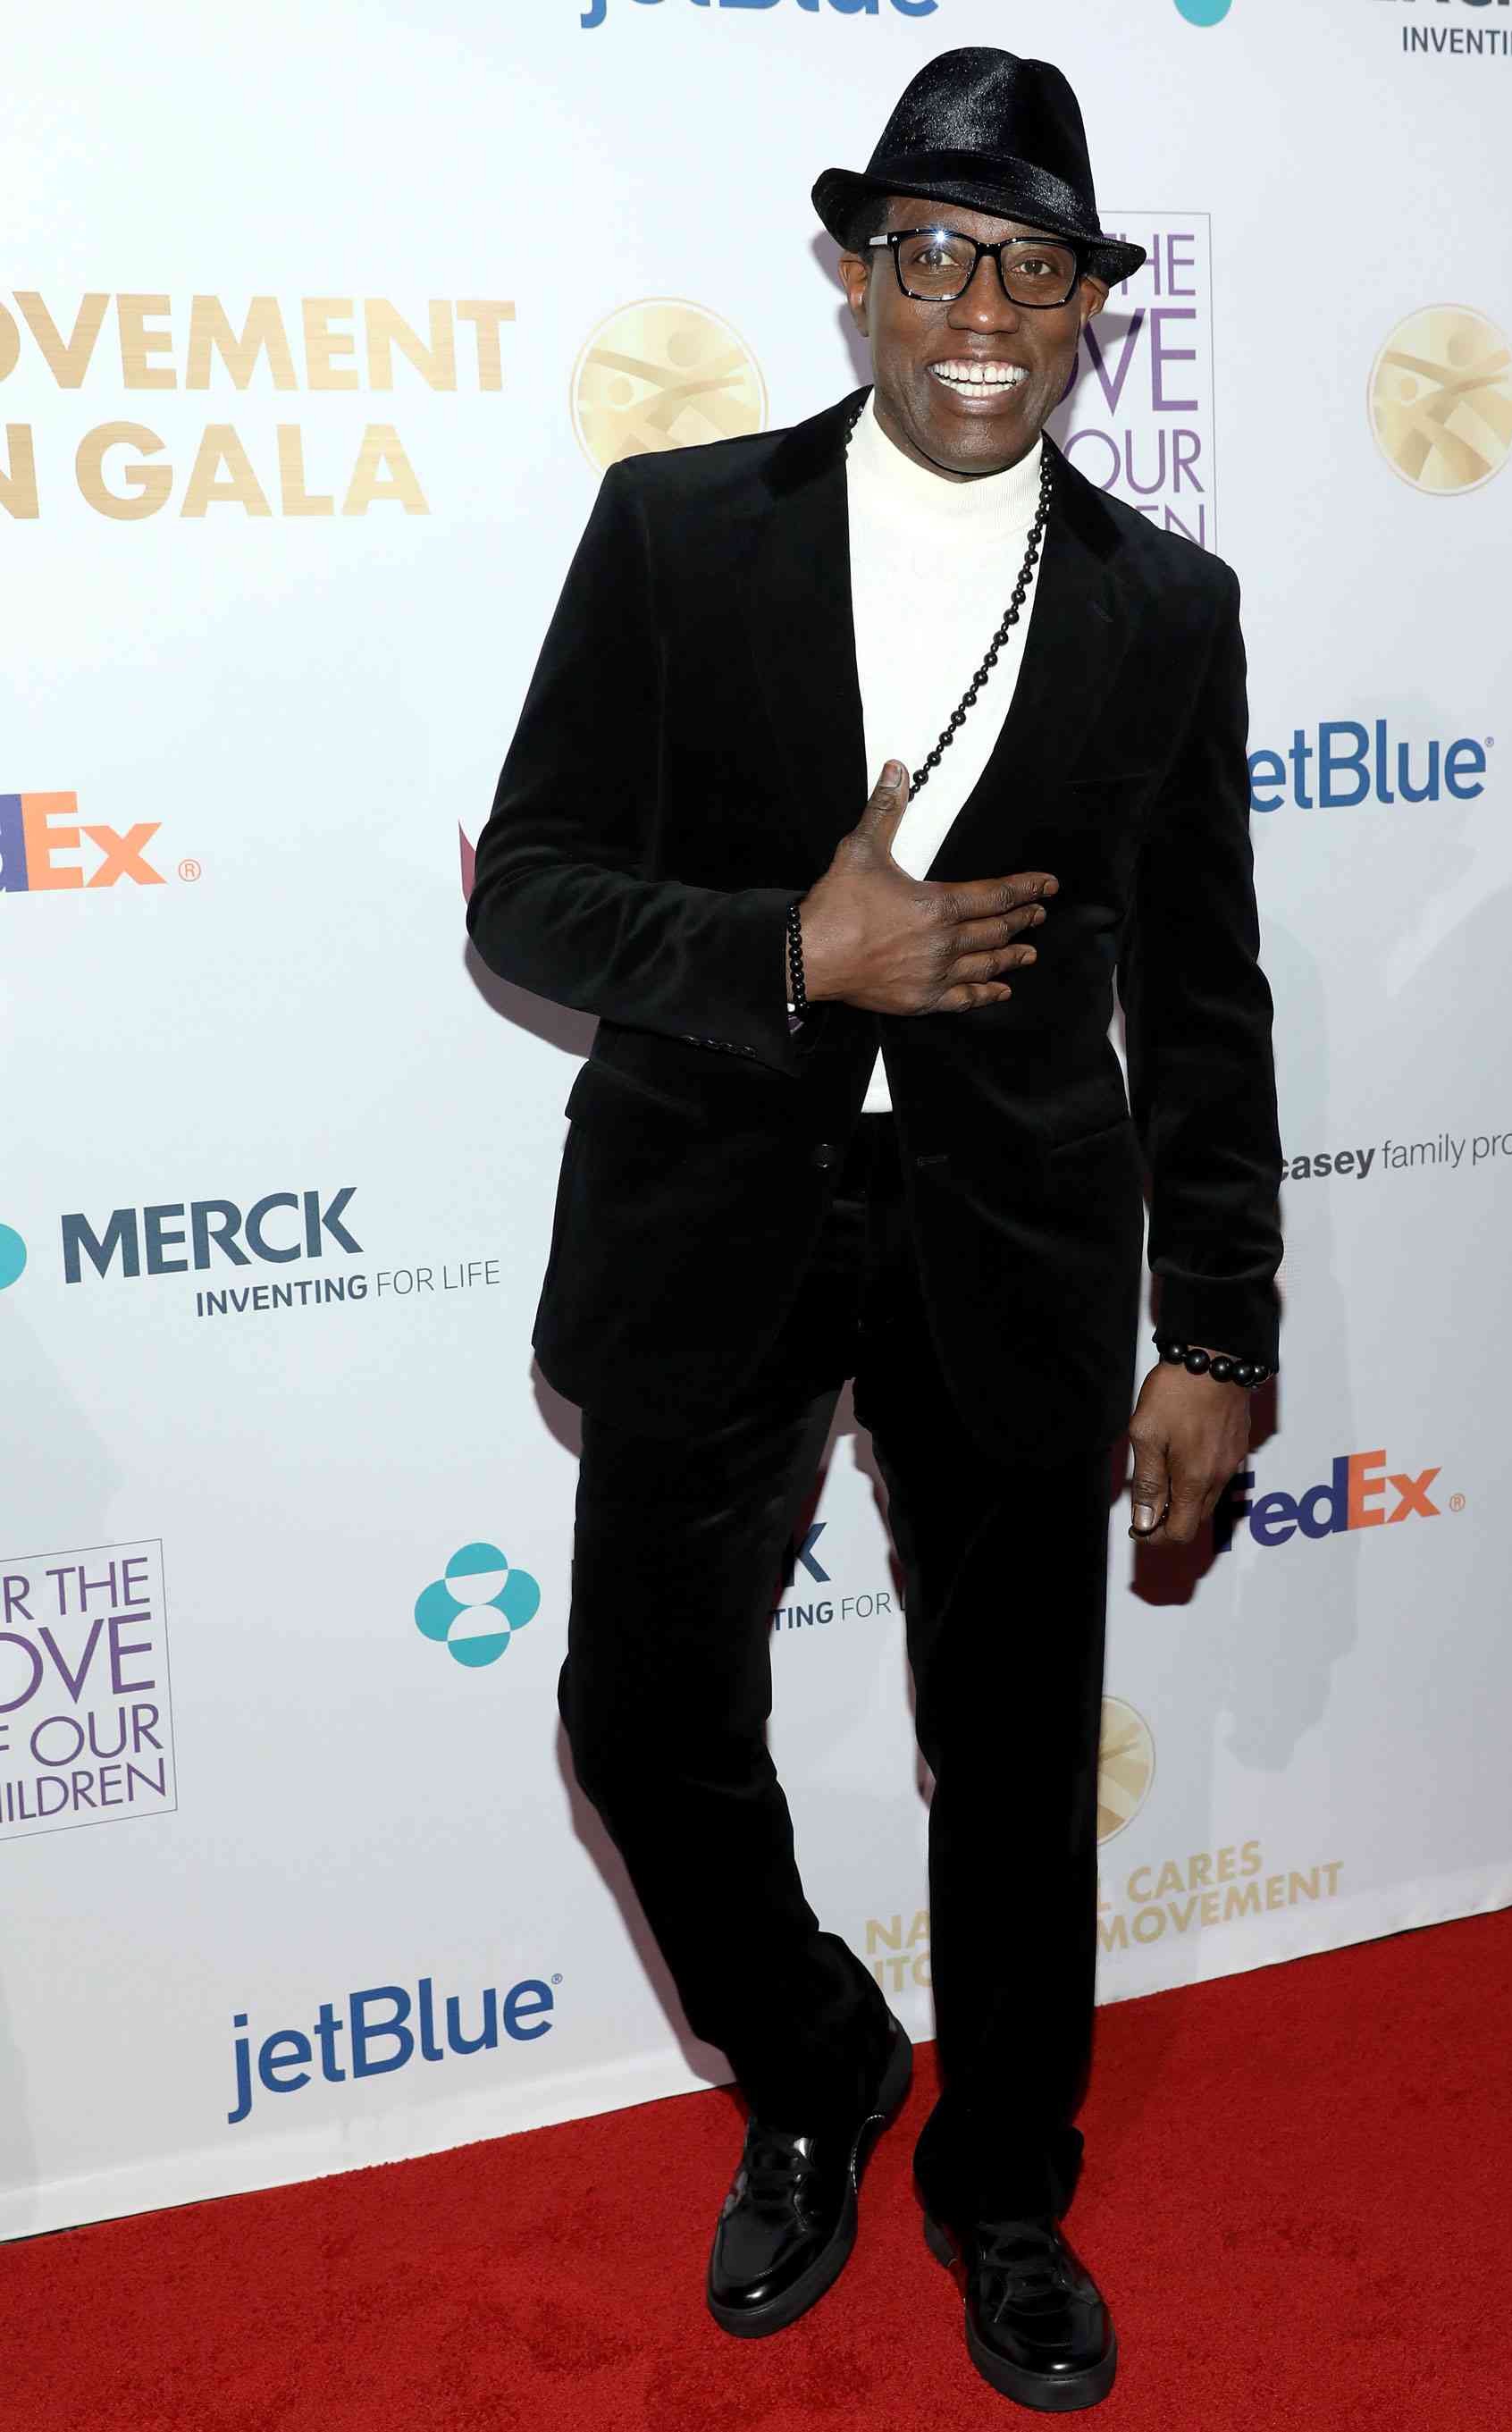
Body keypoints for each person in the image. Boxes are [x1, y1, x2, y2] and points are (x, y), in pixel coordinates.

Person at [467, 45, 1282, 2415]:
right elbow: (526, 884)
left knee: (1018, 1759)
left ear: (1088, 304)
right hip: (715, 1208)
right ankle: (820, 2060)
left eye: (1030, 264)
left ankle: (1005, 2188)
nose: (978, 309)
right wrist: (794, 955)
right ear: (853, 277)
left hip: (1019, 1244)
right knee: (639, 1708)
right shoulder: (672, 533)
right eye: (929, 253)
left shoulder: (1166, 610)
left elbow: (1211, 994)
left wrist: (1219, 1321)